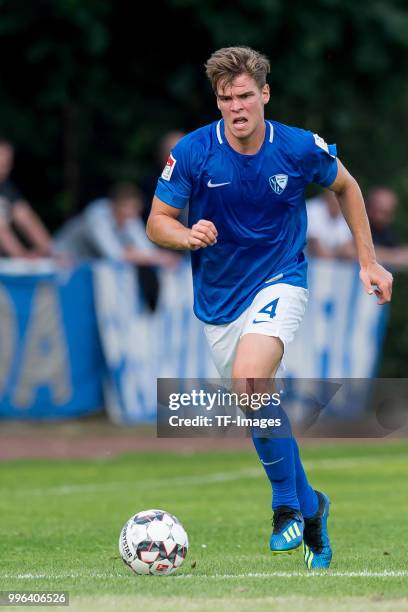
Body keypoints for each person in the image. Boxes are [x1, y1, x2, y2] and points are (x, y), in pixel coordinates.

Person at [146, 46, 393, 569]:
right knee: (255, 401)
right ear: (217, 102)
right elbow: (156, 221)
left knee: (251, 380)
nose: (235, 107)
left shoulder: (299, 147)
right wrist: (186, 234)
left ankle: (285, 507)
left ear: (264, 94)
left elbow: (346, 187)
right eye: (224, 98)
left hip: (282, 278)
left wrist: (368, 262)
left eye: (243, 96)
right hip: (217, 301)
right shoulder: (193, 152)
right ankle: (313, 507)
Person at [55, 182, 178, 311]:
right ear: (114, 206)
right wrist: (158, 258)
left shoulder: (129, 215)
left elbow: (146, 249)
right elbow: (114, 255)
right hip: (59, 260)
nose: (131, 216)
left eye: (135, 210)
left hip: (82, 267)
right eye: (128, 210)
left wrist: (153, 255)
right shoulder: (96, 216)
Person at [0, 138, 53, 257]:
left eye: (7, 163)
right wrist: (21, 256)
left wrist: (52, 251)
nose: (4, 168)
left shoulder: (5, 187)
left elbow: (28, 219)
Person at [366, 187, 408, 269]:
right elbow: (349, 251)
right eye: (376, 211)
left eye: (385, 213)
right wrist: (393, 255)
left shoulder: (388, 233)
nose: (379, 217)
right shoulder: (351, 227)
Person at [306, 189, 355, 259]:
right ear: (326, 198)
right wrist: (340, 251)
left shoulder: (345, 213)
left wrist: (333, 252)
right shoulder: (312, 210)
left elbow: (350, 252)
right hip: (304, 264)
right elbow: (318, 252)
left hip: (331, 265)